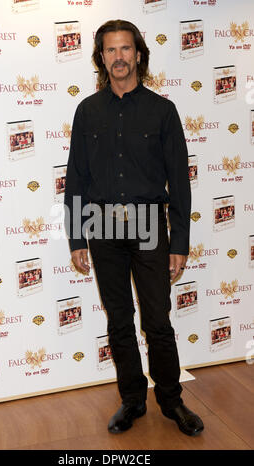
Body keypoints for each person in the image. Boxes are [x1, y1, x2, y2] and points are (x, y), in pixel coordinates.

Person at [64, 19, 204, 437]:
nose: (119, 57)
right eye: (110, 50)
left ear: (138, 54)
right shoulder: (87, 111)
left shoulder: (162, 110)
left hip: (148, 223)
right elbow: (76, 179)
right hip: (101, 224)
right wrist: (76, 237)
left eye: (126, 49)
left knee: (157, 319)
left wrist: (179, 240)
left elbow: (178, 182)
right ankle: (131, 400)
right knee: (120, 319)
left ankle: (172, 400)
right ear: (101, 58)